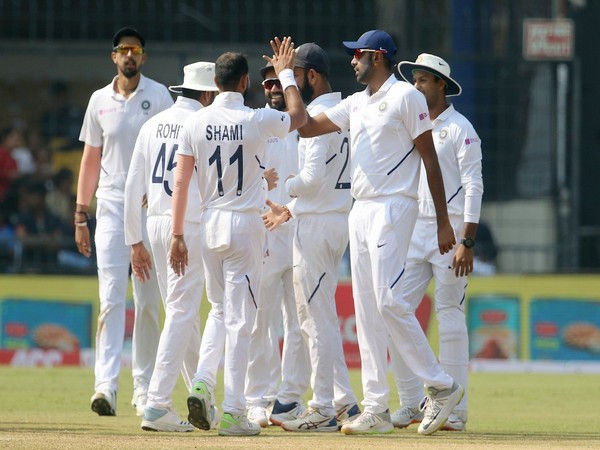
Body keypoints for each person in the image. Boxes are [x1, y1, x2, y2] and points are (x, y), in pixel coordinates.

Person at [296, 30, 463, 436]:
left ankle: (441, 386)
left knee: (389, 300)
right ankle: (374, 406)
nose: (352, 61)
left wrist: (443, 221)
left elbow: (430, 160)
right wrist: (287, 77)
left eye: (358, 55)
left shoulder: (406, 96)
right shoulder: (355, 103)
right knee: (368, 310)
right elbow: (302, 126)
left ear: (378, 56)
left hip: (395, 205)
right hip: (362, 208)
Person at [169, 37, 308, 436]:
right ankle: (232, 411)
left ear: (214, 82)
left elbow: (181, 181)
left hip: (208, 224)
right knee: (242, 321)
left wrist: (178, 234)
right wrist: (285, 71)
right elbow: (297, 115)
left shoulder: (195, 121)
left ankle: (201, 382)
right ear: (245, 81)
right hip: (246, 226)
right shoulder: (255, 119)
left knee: (218, 310)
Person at [261, 42, 360, 432]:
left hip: (318, 227)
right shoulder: (340, 111)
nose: (290, 89)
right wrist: (291, 208)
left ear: (312, 77)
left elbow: (312, 179)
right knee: (316, 319)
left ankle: (321, 407)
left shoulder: (319, 114)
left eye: (296, 77)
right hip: (330, 219)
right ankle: (344, 403)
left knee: (314, 322)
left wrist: (285, 186)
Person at [75, 26, 173, 417]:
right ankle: (105, 387)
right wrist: (81, 213)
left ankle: (144, 388)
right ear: (113, 57)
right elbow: (90, 159)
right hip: (112, 207)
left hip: (150, 208)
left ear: (143, 58)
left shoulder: (160, 95)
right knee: (111, 299)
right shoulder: (99, 100)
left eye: (134, 50)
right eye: (122, 50)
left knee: (148, 303)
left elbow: (172, 151)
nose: (129, 56)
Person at [388, 53, 484, 432]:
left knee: (449, 314)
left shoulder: (461, 127)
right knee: (395, 310)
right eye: (413, 80)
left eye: (423, 80)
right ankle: (412, 402)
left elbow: (474, 183)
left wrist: (468, 240)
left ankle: (456, 412)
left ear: (441, 84)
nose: (416, 86)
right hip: (414, 229)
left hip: (452, 229)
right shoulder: (412, 124)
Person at [123, 62, 220, 432]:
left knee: (182, 314)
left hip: (156, 224)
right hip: (188, 226)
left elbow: (133, 188)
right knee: (182, 313)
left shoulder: (152, 124)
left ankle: (201, 397)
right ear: (209, 94)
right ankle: (157, 403)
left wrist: (134, 241)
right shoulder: (203, 124)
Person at [245, 58, 311, 429]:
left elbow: (317, 182)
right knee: (260, 320)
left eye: (277, 83)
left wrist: (291, 210)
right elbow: (235, 171)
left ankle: (288, 398)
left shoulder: (308, 126)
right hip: (264, 232)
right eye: (267, 83)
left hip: (299, 230)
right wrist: (258, 181)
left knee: (300, 322)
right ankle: (257, 397)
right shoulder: (255, 122)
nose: (272, 89)